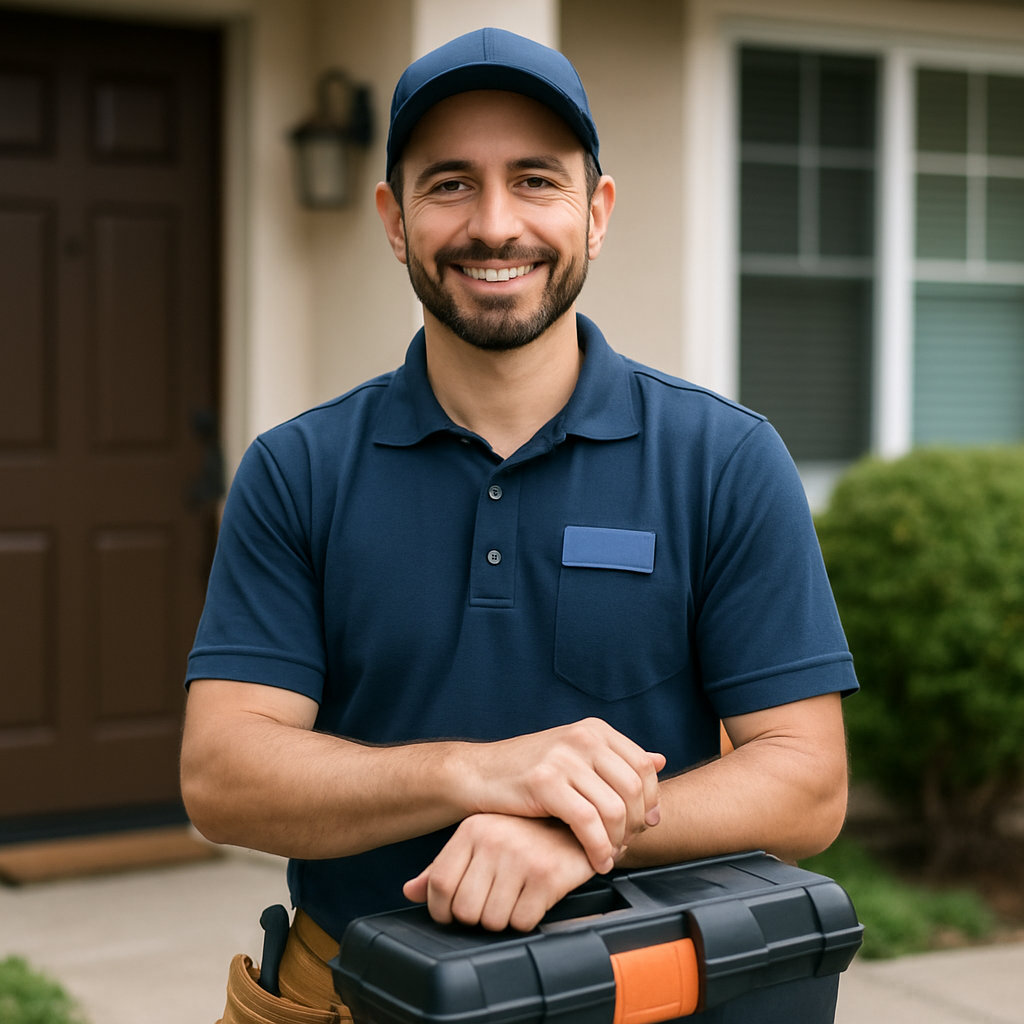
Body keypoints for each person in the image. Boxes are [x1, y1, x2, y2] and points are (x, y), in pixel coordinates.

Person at [180, 26, 857, 1022]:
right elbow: (223, 775)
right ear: (393, 218)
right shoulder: (300, 469)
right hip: (355, 999)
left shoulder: (721, 458)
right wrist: (480, 772)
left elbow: (807, 784)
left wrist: (579, 828)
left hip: (633, 993)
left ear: (597, 210)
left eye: (535, 180)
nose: (495, 224)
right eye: (449, 183)